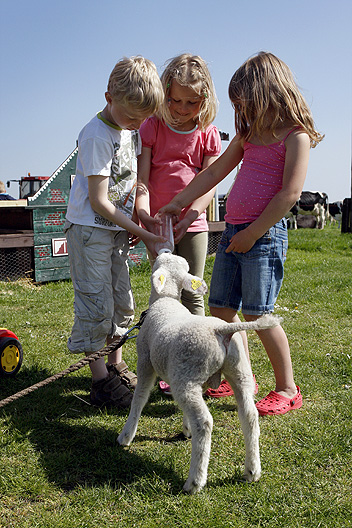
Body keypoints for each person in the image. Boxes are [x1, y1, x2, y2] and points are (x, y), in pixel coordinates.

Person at [160, 52, 324, 415]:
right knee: (220, 310)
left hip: (263, 237)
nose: (242, 111)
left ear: (268, 94)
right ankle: (237, 377)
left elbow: (290, 195)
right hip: (236, 232)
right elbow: (213, 173)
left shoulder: (295, 136)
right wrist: (181, 202)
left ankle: (287, 388)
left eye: (245, 103)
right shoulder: (248, 134)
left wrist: (253, 233)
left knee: (258, 314)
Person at [65, 56, 164, 409]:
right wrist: (142, 231)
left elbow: (133, 183)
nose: (137, 124)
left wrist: (140, 214)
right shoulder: (96, 135)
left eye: (142, 119)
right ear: (108, 96)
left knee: (122, 302)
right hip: (91, 231)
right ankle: (100, 382)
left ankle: (115, 364)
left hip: (115, 232)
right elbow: (99, 202)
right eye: (132, 116)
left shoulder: (128, 130)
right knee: (96, 305)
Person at [135, 53, 222, 396]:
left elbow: (210, 181)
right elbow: (142, 179)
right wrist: (143, 213)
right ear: (164, 92)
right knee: (163, 296)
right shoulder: (152, 126)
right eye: (175, 100)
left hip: (194, 223)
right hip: (158, 223)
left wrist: (191, 215)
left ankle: (200, 365)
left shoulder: (207, 133)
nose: (183, 108)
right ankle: (165, 360)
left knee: (194, 292)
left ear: (205, 99)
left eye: (192, 102)